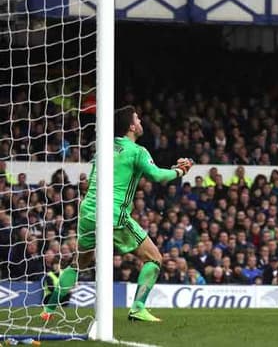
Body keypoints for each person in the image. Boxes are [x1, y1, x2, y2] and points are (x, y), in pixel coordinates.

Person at [41, 106, 194, 322]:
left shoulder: (103, 149)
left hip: (87, 211)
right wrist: (180, 171)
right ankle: (138, 308)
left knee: (79, 263)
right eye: (138, 118)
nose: (140, 121)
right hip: (113, 214)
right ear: (132, 126)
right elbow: (158, 176)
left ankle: (49, 308)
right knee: (155, 258)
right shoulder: (137, 151)